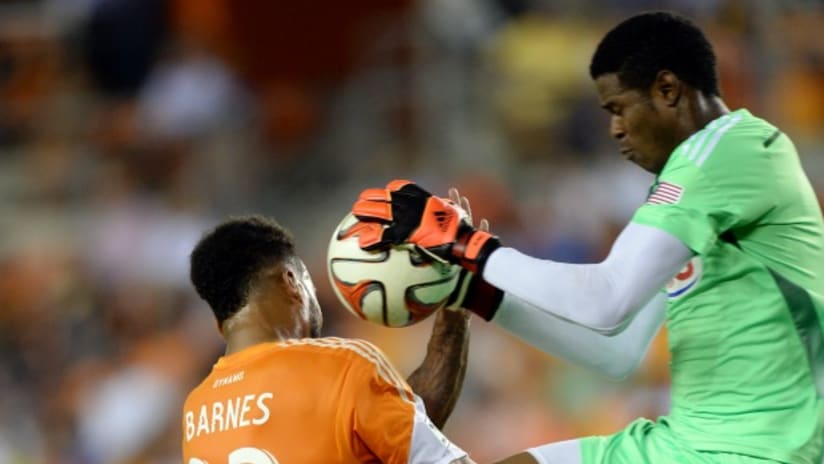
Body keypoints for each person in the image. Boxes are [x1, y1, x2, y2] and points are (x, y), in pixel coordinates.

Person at [350, 11, 824, 464]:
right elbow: (615, 351)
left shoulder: (726, 154)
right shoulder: (693, 187)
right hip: (688, 443)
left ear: (667, 89)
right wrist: (471, 289)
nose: (614, 129)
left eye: (619, 108)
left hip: (764, 451)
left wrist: (465, 245)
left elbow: (606, 300)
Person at [182, 215, 477, 463]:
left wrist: (454, 319)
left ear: (220, 323)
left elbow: (399, 429)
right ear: (291, 281)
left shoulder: (195, 409)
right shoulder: (341, 364)